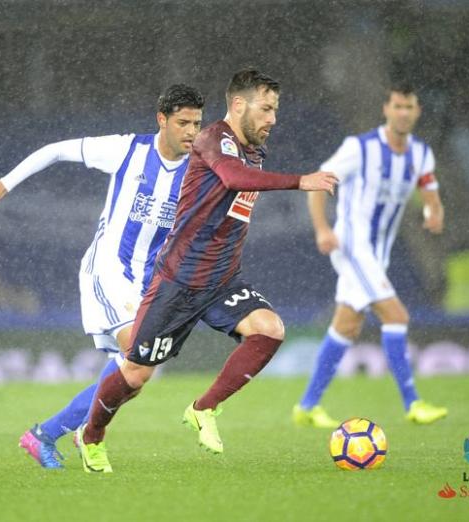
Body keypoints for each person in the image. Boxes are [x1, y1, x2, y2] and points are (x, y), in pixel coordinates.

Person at [75, 67, 338, 473]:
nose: (273, 119)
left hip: (221, 279)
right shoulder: (213, 138)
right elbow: (232, 178)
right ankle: (91, 435)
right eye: (266, 109)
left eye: (275, 110)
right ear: (237, 105)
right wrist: (301, 181)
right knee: (136, 374)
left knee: (269, 330)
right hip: (179, 281)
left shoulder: (253, 150)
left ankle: (204, 409)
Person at [0, 84, 205, 468]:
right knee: (139, 361)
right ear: (162, 120)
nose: (192, 131)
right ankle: (83, 434)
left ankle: (44, 435)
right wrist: (5, 183)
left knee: (135, 376)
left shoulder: (198, 170)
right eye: (183, 122)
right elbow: (56, 150)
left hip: (145, 282)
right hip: (108, 269)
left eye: (197, 123)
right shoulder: (128, 150)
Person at [292, 82, 448, 428]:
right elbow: (317, 183)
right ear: (386, 110)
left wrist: (433, 212)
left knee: (347, 325)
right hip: (352, 245)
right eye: (397, 106)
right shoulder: (359, 149)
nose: (403, 113)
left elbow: (429, 188)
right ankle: (413, 403)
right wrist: (322, 229)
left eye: (409, 107)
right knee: (396, 315)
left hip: (378, 254)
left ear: (417, 111)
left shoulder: (421, 154)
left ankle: (307, 406)